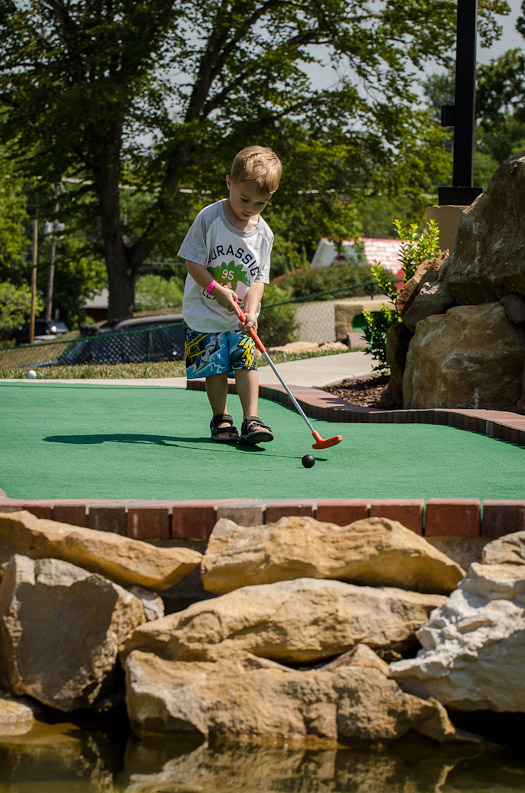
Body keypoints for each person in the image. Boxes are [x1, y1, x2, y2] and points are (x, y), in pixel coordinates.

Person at [178, 145, 282, 444]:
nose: (250, 208)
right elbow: (192, 261)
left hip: (241, 317)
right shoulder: (210, 218)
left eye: (260, 203)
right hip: (206, 310)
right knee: (216, 366)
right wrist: (216, 290)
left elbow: (259, 278)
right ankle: (221, 418)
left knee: (246, 362)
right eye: (244, 198)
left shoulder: (264, 234)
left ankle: (252, 419)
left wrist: (251, 310)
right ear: (229, 183)